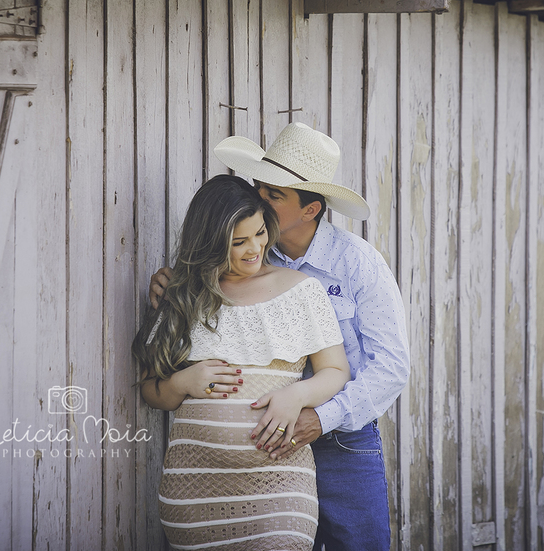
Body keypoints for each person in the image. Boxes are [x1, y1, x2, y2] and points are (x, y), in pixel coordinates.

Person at [151, 123, 411, 551]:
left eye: (273, 194)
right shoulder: (246, 252)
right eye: (259, 187)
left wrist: (318, 417)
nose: (258, 199)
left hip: (340, 435)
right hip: (247, 463)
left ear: (310, 210)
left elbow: (391, 367)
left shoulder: (356, 263)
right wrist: (172, 283)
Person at [133, 174, 351, 550]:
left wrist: (297, 395)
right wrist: (182, 383)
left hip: (280, 484)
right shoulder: (182, 295)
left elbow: (336, 371)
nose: (255, 248)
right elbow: (152, 391)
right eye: (239, 242)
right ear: (210, 243)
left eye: (260, 233)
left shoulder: (301, 290)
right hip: (194, 490)